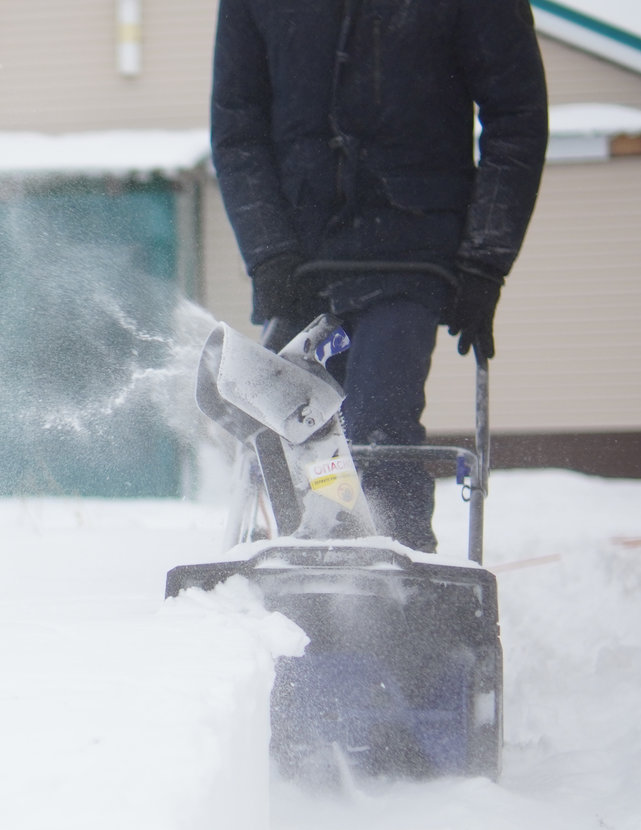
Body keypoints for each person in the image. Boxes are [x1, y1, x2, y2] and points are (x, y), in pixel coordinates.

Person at [211, 0, 548, 551]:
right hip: (302, 259)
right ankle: (310, 571)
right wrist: (269, 252)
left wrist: (486, 260)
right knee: (302, 428)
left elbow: (517, 117)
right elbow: (238, 128)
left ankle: (405, 582)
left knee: (374, 422)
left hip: (411, 251)